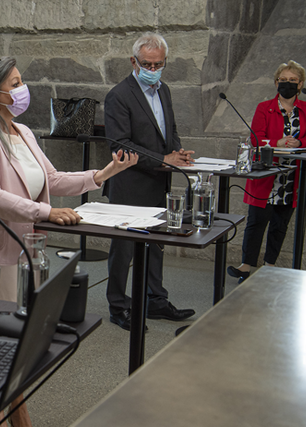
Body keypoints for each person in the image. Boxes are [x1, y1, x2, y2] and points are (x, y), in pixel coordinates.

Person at [0, 56, 137, 427]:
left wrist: (102, 175)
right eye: (16, 83)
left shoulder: (23, 132)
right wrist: (47, 213)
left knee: (21, 344)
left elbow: (50, 180)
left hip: (26, 251)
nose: (23, 90)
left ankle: (12, 415)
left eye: (22, 82)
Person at [103, 32, 196, 331]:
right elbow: (120, 145)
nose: (153, 70)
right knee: (124, 250)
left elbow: (169, 130)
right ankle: (118, 306)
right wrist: (162, 160)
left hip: (158, 183)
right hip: (129, 184)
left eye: (159, 64)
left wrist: (176, 152)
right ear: (134, 61)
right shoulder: (119, 95)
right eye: (147, 64)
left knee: (156, 246)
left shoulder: (164, 90)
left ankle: (155, 300)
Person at [227, 60, 306, 283]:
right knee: (257, 221)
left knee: (280, 224)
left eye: (293, 81)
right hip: (267, 174)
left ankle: (270, 266)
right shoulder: (263, 107)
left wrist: (298, 142)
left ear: (300, 84)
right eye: (283, 80)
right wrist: (278, 141)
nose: (288, 84)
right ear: (276, 83)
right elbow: (256, 138)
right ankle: (246, 266)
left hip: (293, 176)